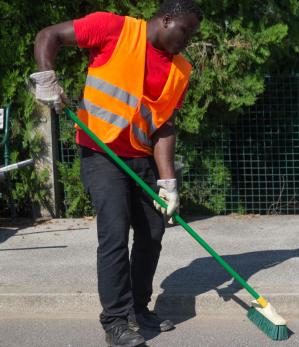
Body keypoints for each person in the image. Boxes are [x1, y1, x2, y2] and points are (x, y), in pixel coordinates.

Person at [29, 1, 202, 346]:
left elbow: (163, 127)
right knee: (114, 232)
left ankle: (138, 309)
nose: (188, 40)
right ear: (166, 19)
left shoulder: (181, 70)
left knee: (153, 232)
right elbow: (49, 36)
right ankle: (116, 321)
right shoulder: (114, 28)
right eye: (186, 31)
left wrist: (168, 183)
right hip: (101, 153)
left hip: (141, 159)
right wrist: (47, 78)